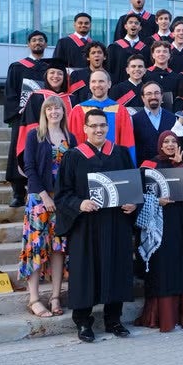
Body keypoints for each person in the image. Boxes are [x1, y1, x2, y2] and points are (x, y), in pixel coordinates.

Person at [54, 109, 139, 342]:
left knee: (116, 268)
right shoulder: (73, 156)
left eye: (102, 125)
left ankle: (114, 320)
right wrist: (79, 204)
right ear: (84, 128)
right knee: (85, 272)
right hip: (86, 224)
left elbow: (133, 186)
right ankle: (83, 322)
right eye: (93, 126)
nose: (98, 130)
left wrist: (133, 203)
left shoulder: (120, 153)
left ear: (108, 127)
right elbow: (62, 194)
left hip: (116, 222)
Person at [135, 131, 183, 333]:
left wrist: (180, 166)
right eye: (166, 141)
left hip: (181, 223)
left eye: (174, 141)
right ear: (160, 145)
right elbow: (138, 194)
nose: (170, 145)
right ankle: (162, 316)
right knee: (162, 266)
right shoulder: (149, 165)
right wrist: (156, 200)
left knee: (181, 264)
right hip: (158, 225)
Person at [20, 95, 75, 318]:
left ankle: (55, 296)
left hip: (62, 201)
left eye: (57, 108)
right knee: (36, 247)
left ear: (63, 112)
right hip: (39, 200)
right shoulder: (35, 135)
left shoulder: (70, 137)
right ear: (44, 112)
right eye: (49, 108)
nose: (54, 112)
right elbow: (29, 168)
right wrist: (45, 196)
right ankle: (34, 299)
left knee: (58, 248)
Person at [5, 30, 49, 207]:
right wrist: (18, 111)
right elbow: (10, 93)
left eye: (41, 40)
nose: (38, 42)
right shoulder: (17, 67)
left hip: (46, 117)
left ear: (46, 44)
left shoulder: (49, 69)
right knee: (19, 150)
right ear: (28, 44)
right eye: (34, 40)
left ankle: (40, 187)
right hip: (23, 117)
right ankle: (18, 192)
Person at [67, 69, 136, 164]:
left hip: (114, 164)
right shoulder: (78, 110)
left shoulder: (120, 110)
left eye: (101, 81)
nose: (97, 85)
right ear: (89, 85)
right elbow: (74, 141)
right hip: (85, 164)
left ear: (109, 84)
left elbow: (127, 141)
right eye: (93, 81)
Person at [132, 81, 178, 166]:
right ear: (143, 98)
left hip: (169, 168)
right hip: (144, 169)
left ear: (162, 96)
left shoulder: (172, 118)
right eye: (149, 94)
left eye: (157, 93)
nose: (153, 97)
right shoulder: (134, 120)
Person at [107, 13, 150, 84]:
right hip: (119, 86)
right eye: (130, 22)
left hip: (140, 87)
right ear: (125, 26)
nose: (133, 25)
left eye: (136, 23)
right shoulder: (114, 47)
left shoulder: (145, 49)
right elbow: (110, 69)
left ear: (140, 27)